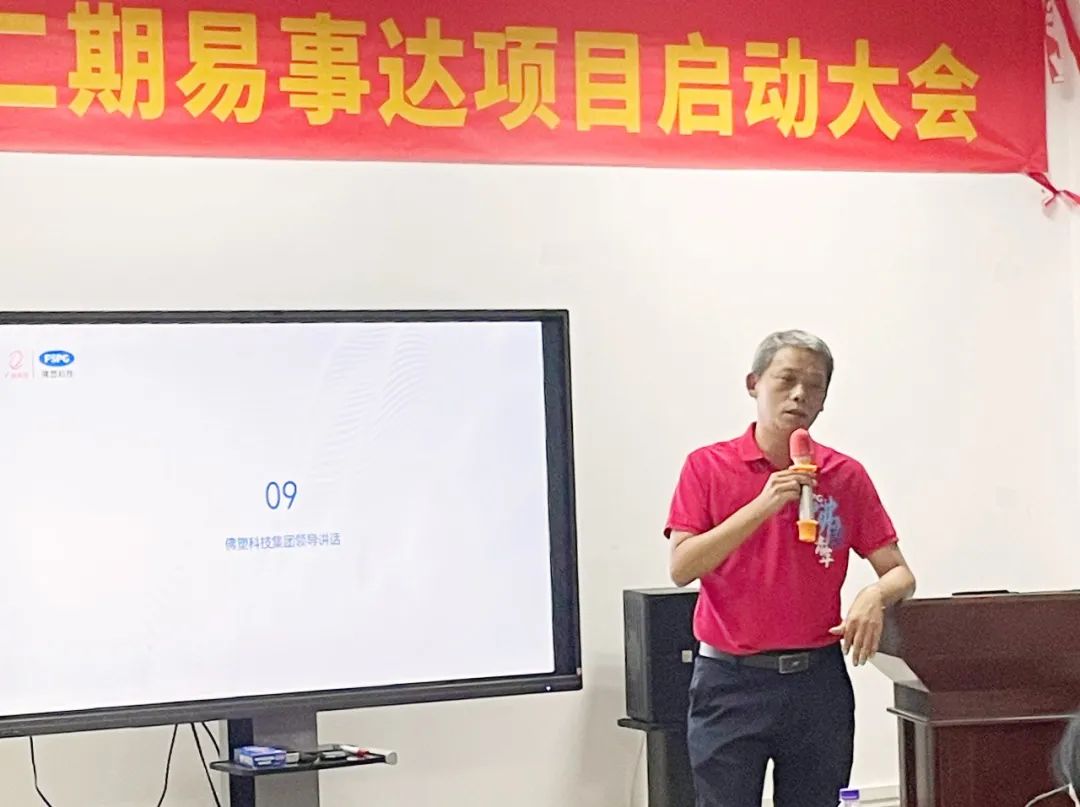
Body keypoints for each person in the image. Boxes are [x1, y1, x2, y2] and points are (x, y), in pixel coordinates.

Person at [664, 330, 917, 807]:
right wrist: (763, 505)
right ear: (753, 384)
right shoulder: (707, 466)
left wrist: (873, 595)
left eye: (815, 386)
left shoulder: (845, 474)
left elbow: (901, 574)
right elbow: (682, 567)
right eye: (787, 380)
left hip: (817, 681)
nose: (800, 395)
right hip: (730, 680)